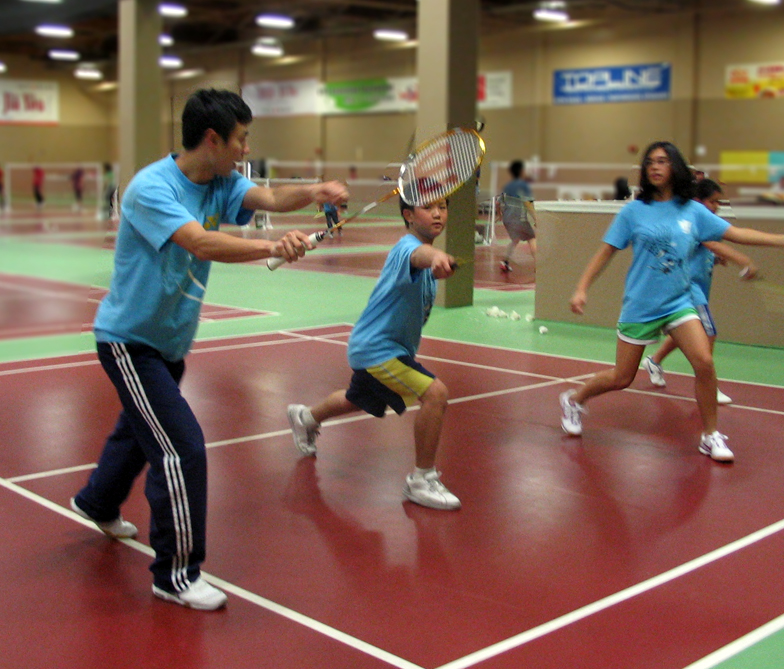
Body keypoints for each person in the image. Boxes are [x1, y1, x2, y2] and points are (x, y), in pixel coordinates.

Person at [70, 88, 348, 611]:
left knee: (138, 431)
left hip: (170, 340)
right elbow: (199, 243)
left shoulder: (221, 181)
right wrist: (273, 246)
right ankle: (175, 573)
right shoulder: (151, 189)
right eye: (241, 139)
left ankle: (97, 500)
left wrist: (315, 191)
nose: (246, 149)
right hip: (130, 341)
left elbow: (267, 199)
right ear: (213, 139)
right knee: (181, 447)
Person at [560, 141, 784, 463]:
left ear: (674, 167)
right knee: (623, 377)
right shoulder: (633, 211)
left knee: (704, 362)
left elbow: (735, 233)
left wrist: (783, 240)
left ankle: (710, 435)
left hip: (679, 301)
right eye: (650, 162)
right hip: (640, 305)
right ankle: (575, 399)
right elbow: (606, 251)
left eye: (662, 161)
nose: (654, 166)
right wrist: (582, 288)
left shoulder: (693, 211)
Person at [285, 195, 461, 511]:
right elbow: (420, 254)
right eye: (428, 208)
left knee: (357, 399)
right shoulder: (405, 249)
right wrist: (435, 257)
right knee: (435, 394)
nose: (437, 214)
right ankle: (421, 480)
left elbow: (425, 263)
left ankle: (306, 417)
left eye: (443, 207)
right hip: (378, 349)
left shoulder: (422, 261)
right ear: (408, 215)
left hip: (376, 346)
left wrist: (436, 265)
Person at [642, 178, 758, 405]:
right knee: (708, 333)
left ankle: (654, 361)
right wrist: (744, 261)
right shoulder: (695, 221)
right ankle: (708, 384)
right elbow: (712, 244)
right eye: (713, 202)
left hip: (699, 288)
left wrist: (714, 260)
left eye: (719, 203)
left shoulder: (703, 224)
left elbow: (701, 251)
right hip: (688, 289)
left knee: (686, 332)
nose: (716, 207)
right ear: (698, 201)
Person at [498, 159, 537, 272]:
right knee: (531, 238)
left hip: (507, 218)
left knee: (515, 239)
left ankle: (505, 262)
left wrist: (500, 215)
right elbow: (527, 203)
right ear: (521, 171)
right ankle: (538, 265)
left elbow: (499, 202)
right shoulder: (523, 185)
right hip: (518, 218)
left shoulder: (507, 185)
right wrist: (535, 218)